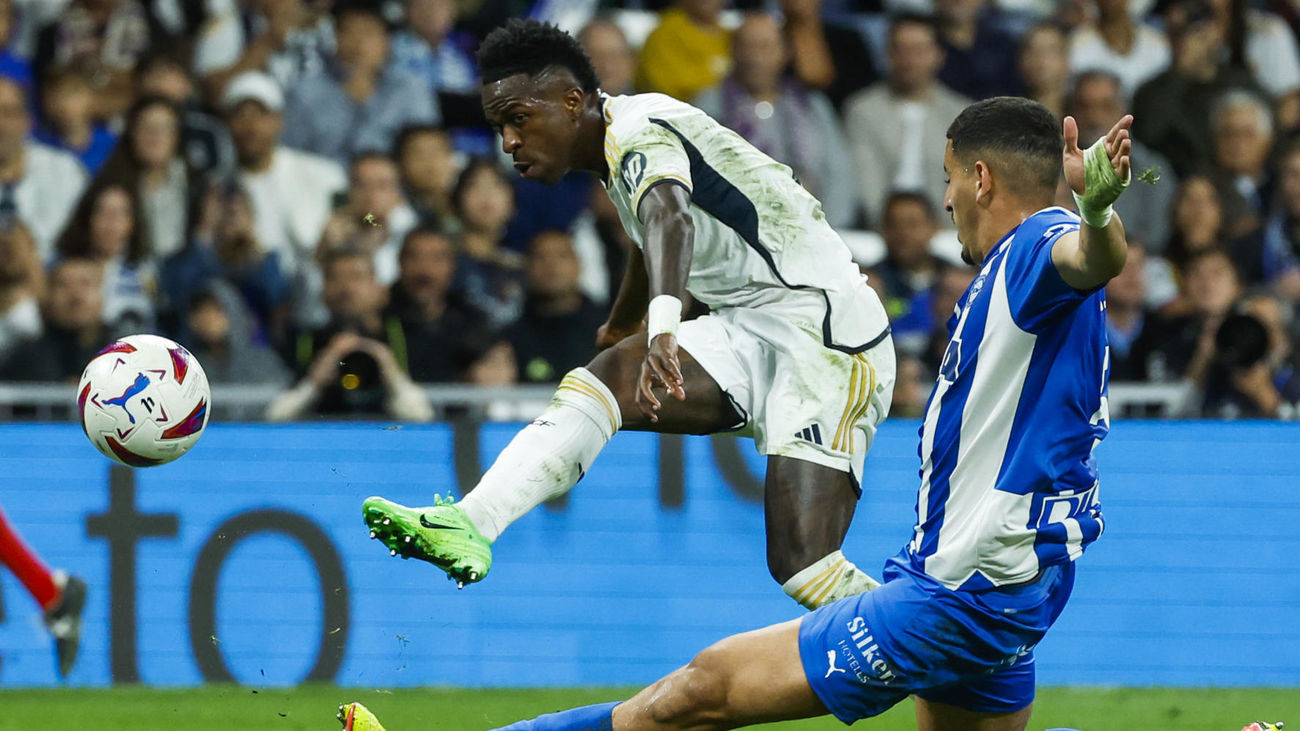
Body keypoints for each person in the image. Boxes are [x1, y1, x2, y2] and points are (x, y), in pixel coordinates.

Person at [340, 94, 1134, 731]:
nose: (948, 195)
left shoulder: (1039, 245)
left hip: (963, 593)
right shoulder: (1010, 273)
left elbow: (1089, 257)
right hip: (991, 586)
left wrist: (1096, 213)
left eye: (951, 176)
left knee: (694, 695)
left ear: (983, 179)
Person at [361, 20, 897, 612]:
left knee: (802, 566)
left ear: (571, 102)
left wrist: (662, 328)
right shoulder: (615, 151)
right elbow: (650, 236)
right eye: (498, 127)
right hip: (750, 323)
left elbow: (671, 219)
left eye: (518, 119)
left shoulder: (639, 131)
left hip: (825, 332)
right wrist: (625, 324)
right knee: (605, 379)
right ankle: (471, 521)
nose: (508, 142)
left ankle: (948, 634)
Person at [693, 12, 857, 229]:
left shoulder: (813, 105)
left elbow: (839, 173)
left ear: (785, 52)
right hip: (733, 231)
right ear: (732, 51)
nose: (754, 57)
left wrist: (826, 231)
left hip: (810, 229)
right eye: (746, 46)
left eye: (765, 47)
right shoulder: (708, 105)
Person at [266, 247, 433, 422]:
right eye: (334, 278)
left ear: (381, 291)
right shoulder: (303, 341)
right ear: (323, 292)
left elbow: (425, 418)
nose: (345, 287)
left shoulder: (406, 337)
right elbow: (274, 418)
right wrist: (312, 384)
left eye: (356, 277)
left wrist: (390, 372)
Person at [844, 14, 971, 228]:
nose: (909, 60)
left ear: (938, 55)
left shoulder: (962, 114)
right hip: (879, 231)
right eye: (900, 50)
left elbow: (963, 182)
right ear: (887, 54)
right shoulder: (861, 110)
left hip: (947, 230)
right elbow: (864, 181)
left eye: (919, 51)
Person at [281, 5, 438, 164]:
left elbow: (427, 148)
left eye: (368, 32)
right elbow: (288, 156)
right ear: (335, 40)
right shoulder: (304, 93)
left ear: (387, 42)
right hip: (322, 181)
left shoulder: (410, 90)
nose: (359, 43)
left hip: (392, 184)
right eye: (348, 32)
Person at [508, 229, 608, 384]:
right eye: (540, 257)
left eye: (561, 256)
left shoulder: (611, 330)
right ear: (526, 267)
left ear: (578, 265)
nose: (551, 265)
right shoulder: (510, 340)